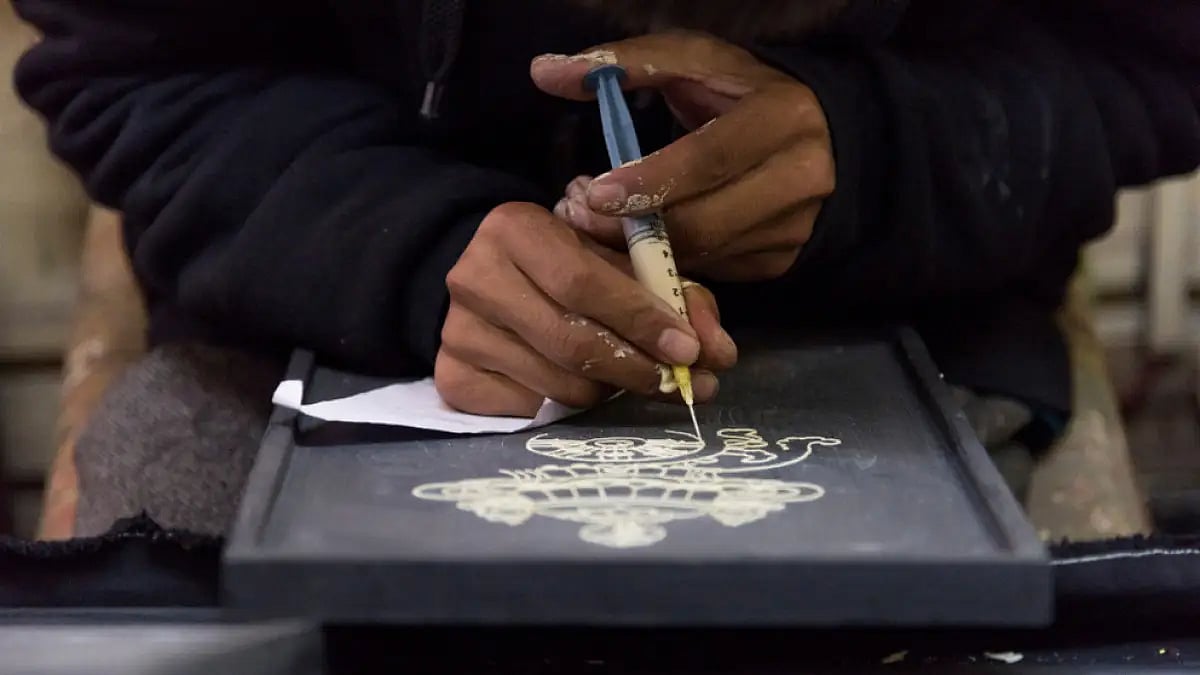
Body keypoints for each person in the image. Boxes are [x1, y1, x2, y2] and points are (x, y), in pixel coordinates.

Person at [11, 0, 1200, 537]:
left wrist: (878, 148)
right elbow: (140, 69)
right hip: (306, 293)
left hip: (912, 293)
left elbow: (1152, 64)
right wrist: (413, 251)